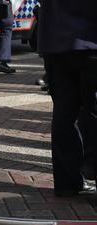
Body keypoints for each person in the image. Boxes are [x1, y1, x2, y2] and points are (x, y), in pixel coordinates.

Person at [37, 0, 96, 197]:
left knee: (64, 115)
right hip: (89, 40)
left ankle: (67, 182)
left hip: (56, 42)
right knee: (92, 112)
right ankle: (91, 167)